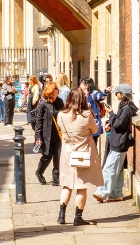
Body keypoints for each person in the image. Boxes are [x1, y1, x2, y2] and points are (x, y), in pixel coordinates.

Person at [56, 88, 103, 226]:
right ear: (82, 99)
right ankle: (78, 218)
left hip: (67, 153)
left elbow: (61, 130)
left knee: (67, 185)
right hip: (82, 154)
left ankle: (61, 215)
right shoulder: (86, 116)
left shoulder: (61, 115)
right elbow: (95, 130)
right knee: (81, 186)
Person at [94, 83, 137, 203]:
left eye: (117, 93)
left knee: (109, 168)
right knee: (117, 170)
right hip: (119, 141)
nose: (116, 95)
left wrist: (111, 114)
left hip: (119, 142)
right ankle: (116, 193)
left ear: (122, 94)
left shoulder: (126, 108)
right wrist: (111, 118)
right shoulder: (125, 107)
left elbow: (119, 124)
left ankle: (102, 192)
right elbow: (118, 122)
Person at [32, 81, 64, 184]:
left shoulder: (59, 102)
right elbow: (38, 122)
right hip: (46, 135)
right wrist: (38, 137)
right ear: (51, 91)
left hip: (58, 134)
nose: (58, 90)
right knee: (47, 156)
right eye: (56, 89)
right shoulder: (43, 104)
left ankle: (56, 177)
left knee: (57, 155)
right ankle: (39, 172)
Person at [79, 77, 107, 141]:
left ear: (86, 86)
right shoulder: (81, 95)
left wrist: (105, 91)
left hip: (93, 124)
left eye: (81, 84)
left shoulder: (93, 94)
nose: (79, 86)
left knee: (93, 146)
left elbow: (100, 96)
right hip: (83, 125)